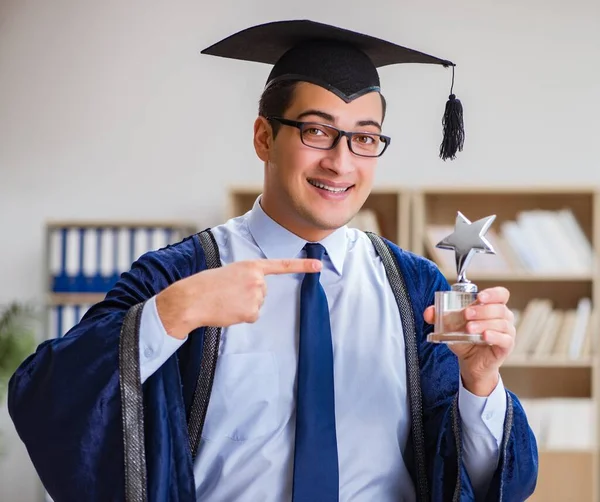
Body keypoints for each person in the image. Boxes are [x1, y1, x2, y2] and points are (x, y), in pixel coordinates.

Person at [8, 19, 538, 502]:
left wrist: (481, 386)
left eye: (365, 138)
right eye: (316, 131)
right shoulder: (182, 274)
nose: (340, 161)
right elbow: (49, 399)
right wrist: (170, 315)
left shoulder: (414, 287)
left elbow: (480, 482)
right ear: (264, 137)